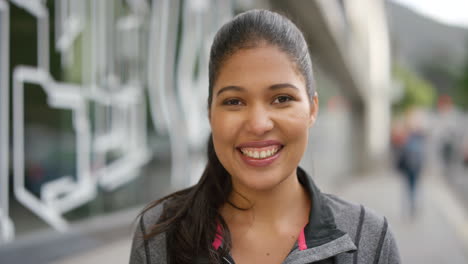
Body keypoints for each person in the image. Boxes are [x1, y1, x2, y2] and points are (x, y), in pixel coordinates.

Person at [130, 10, 400, 264]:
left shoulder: (369, 239)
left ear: (312, 109)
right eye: (234, 101)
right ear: (210, 113)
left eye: (282, 99)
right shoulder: (160, 235)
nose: (258, 124)